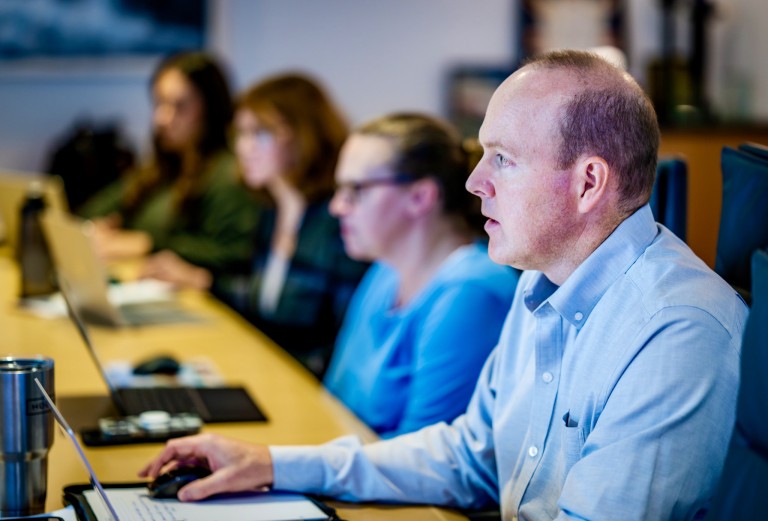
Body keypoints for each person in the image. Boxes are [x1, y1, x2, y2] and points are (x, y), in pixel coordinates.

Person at [139, 50, 748, 520]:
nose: (475, 181)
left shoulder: (677, 330)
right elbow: (469, 456)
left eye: (503, 159)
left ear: (589, 183)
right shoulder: (540, 284)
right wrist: (270, 463)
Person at [141, 73, 368, 377]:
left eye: (259, 133)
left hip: (307, 391)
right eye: (241, 134)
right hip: (272, 376)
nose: (244, 148)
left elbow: (341, 345)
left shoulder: (338, 223)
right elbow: (269, 312)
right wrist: (203, 281)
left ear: (304, 134)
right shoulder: (271, 211)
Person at [323, 113, 518, 437]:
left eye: (355, 189)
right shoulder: (385, 270)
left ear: (420, 196)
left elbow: (419, 468)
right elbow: (331, 401)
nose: (337, 206)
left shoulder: (471, 293)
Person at [79, 51, 260, 272]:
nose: (162, 119)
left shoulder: (228, 175)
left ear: (211, 107)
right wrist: (96, 228)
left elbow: (232, 253)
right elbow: (92, 212)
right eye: (158, 103)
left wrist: (148, 244)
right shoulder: (160, 170)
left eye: (179, 105)